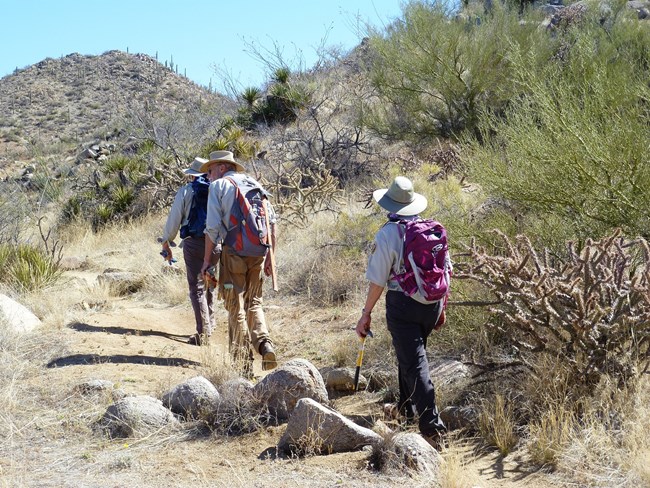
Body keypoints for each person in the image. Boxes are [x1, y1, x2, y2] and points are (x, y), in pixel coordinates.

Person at [355, 176, 447, 446]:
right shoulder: (432, 229)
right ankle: (406, 409)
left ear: (390, 205)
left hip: (403, 305)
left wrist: (366, 313)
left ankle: (432, 430)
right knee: (409, 357)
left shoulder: (388, 233)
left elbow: (378, 280)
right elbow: (447, 271)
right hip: (431, 304)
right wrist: (441, 306)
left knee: (415, 363)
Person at [199, 150, 278, 375]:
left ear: (223, 167)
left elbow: (212, 228)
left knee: (235, 305)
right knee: (254, 302)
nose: (209, 175)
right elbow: (272, 223)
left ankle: (243, 363)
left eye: (211, 170)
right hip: (259, 252)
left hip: (233, 252)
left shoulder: (219, 187)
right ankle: (264, 344)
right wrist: (271, 258)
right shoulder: (254, 184)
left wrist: (207, 261)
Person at [161, 156, 218, 346]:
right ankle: (211, 322)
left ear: (192, 175)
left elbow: (175, 218)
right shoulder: (218, 189)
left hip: (194, 243)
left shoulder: (186, 191)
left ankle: (203, 333)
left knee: (197, 288)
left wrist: (166, 241)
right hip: (217, 243)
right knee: (210, 282)